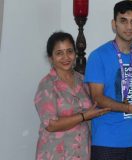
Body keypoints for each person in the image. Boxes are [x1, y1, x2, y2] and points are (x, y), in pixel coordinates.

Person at [84, 0, 132, 160]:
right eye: (123, 21)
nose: (129, 27)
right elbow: (98, 98)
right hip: (106, 141)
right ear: (114, 24)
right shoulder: (98, 56)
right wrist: (131, 109)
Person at [34, 31, 110, 160]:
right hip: (55, 154)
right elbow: (51, 124)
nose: (66, 57)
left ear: (75, 53)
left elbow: (96, 107)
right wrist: (83, 116)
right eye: (59, 53)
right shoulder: (47, 85)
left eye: (69, 51)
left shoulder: (83, 80)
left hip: (82, 152)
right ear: (50, 58)